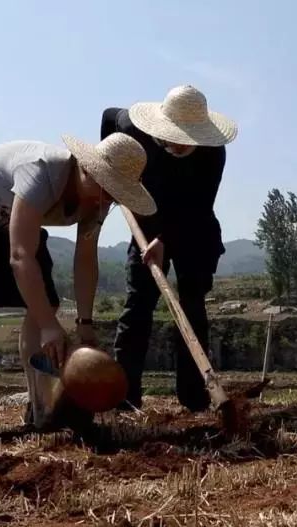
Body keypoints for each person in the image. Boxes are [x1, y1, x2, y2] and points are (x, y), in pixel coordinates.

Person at [0, 133, 156, 444]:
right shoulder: (41, 173)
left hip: (16, 221)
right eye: (105, 190)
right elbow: (19, 256)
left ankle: (41, 407)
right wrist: (48, 327)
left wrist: (84, 324)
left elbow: (85, 259)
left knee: (45, 307)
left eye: (114, 195)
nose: (106, 201)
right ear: (86, 170)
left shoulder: (99, 199)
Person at [101, 85, 237, 412]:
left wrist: (167, 240)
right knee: (138, 306)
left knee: (191, 306)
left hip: (193, 226)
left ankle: (194, 396)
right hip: (146, 219)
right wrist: (111, 173)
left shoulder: (212, 153)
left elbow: (199, 207)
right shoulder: (134, 130)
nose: (176, 143)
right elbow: (108, 119)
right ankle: (125, 396)